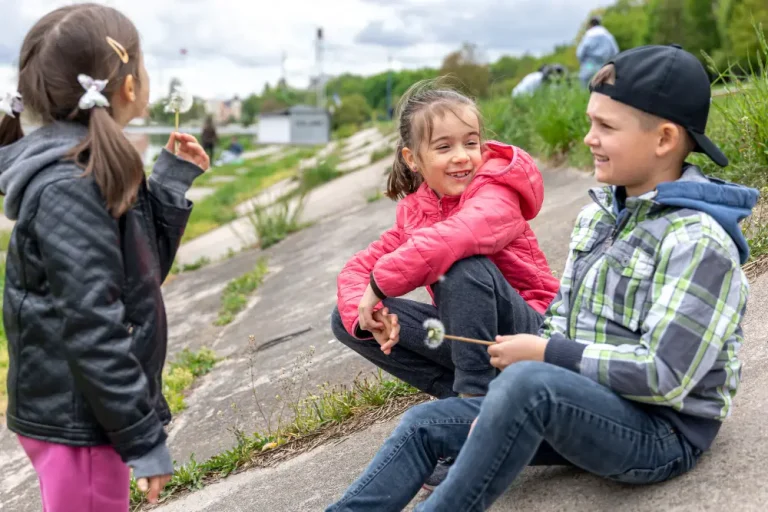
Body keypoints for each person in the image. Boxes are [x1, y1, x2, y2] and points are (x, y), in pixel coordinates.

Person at [326, 44, 757, 512]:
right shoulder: (598, 218)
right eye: (590, 123)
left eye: (606, 127)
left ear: (664, 139)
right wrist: (501, 399)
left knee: (522, 379)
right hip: (580, 399)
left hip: (662, 432)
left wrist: (541, 359)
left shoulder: (697, 240)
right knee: (423, 424)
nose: (588, 138)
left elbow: (665, 377)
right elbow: (562, 320)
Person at [0, 4, 210, 511]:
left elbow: (135, 278)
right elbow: (94, 322)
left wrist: (169, 184)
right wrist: (141, 436)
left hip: (88, 412)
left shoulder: (91, 165)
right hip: (82, 420)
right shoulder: (71, 185)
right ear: (129, 86)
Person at [577, 16, 620, 87]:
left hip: (589, 64)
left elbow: (580, 53)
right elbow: (615, 51)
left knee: (585, 81)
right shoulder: (607, 35)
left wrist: (582, 63)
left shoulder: (588, 35)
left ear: (590, 25)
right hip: (604, 64)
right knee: (604, 84)